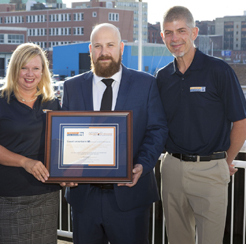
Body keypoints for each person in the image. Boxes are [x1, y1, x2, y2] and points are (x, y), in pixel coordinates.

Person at [61, 23, 168, 244]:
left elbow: (157, 130)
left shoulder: (145, 84)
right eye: (98, 46)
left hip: (130, 196)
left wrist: (142, 165)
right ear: (90, 50)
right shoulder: (72, 87)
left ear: (121, 48)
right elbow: (64, 135)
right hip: (84, 198)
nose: (104, 52)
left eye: (110, 45)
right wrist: (63, 170)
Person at [156, 6, 246, 244]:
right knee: (178, 240)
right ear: (162, 37)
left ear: (194, 32)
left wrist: (224, 162)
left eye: (181, 31)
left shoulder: (219, 70)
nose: (175, 38)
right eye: (168, 32)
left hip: (210, 172)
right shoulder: (161, 77)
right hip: (172, 169)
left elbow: (242, 123)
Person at [0, 43, 61, 243]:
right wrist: (25, 162)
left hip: (47, 194)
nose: (29, 74)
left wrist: (69, 171)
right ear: (15, 69)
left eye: (35, 68)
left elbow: (61, 144)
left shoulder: (51, 102)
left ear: (43, 72)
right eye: (24, 67)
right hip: (10, 196)